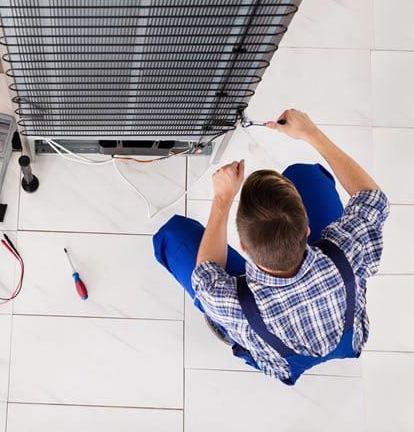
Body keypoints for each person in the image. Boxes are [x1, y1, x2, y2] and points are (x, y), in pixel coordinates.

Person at [153, 109, 390, 384]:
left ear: (242, 246)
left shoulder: (229, 303)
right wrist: (311, 134)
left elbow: (206, 274)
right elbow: (373, 198)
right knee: (305, 174)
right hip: (348, 337)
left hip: (280, 356)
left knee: (172, 235)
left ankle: (228, 333)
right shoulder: (348, 249)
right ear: (308, 229)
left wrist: (222, 200)